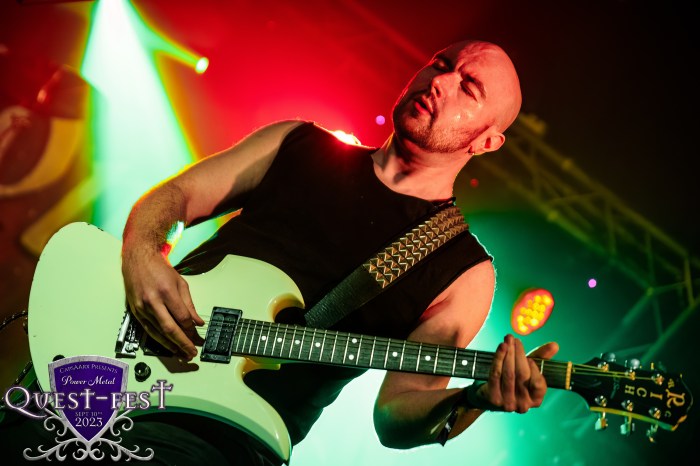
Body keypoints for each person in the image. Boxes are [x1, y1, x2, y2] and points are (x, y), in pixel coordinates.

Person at [5, 38, 557, 465]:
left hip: (222, 438)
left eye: (469, 87)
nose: (441, 82)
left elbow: (395, 415)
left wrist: (472, 399)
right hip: (112, 370)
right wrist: (144, 255)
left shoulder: (462, 270)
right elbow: (174, 197)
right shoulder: (299, 144)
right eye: (440, 64)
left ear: (488, 141)